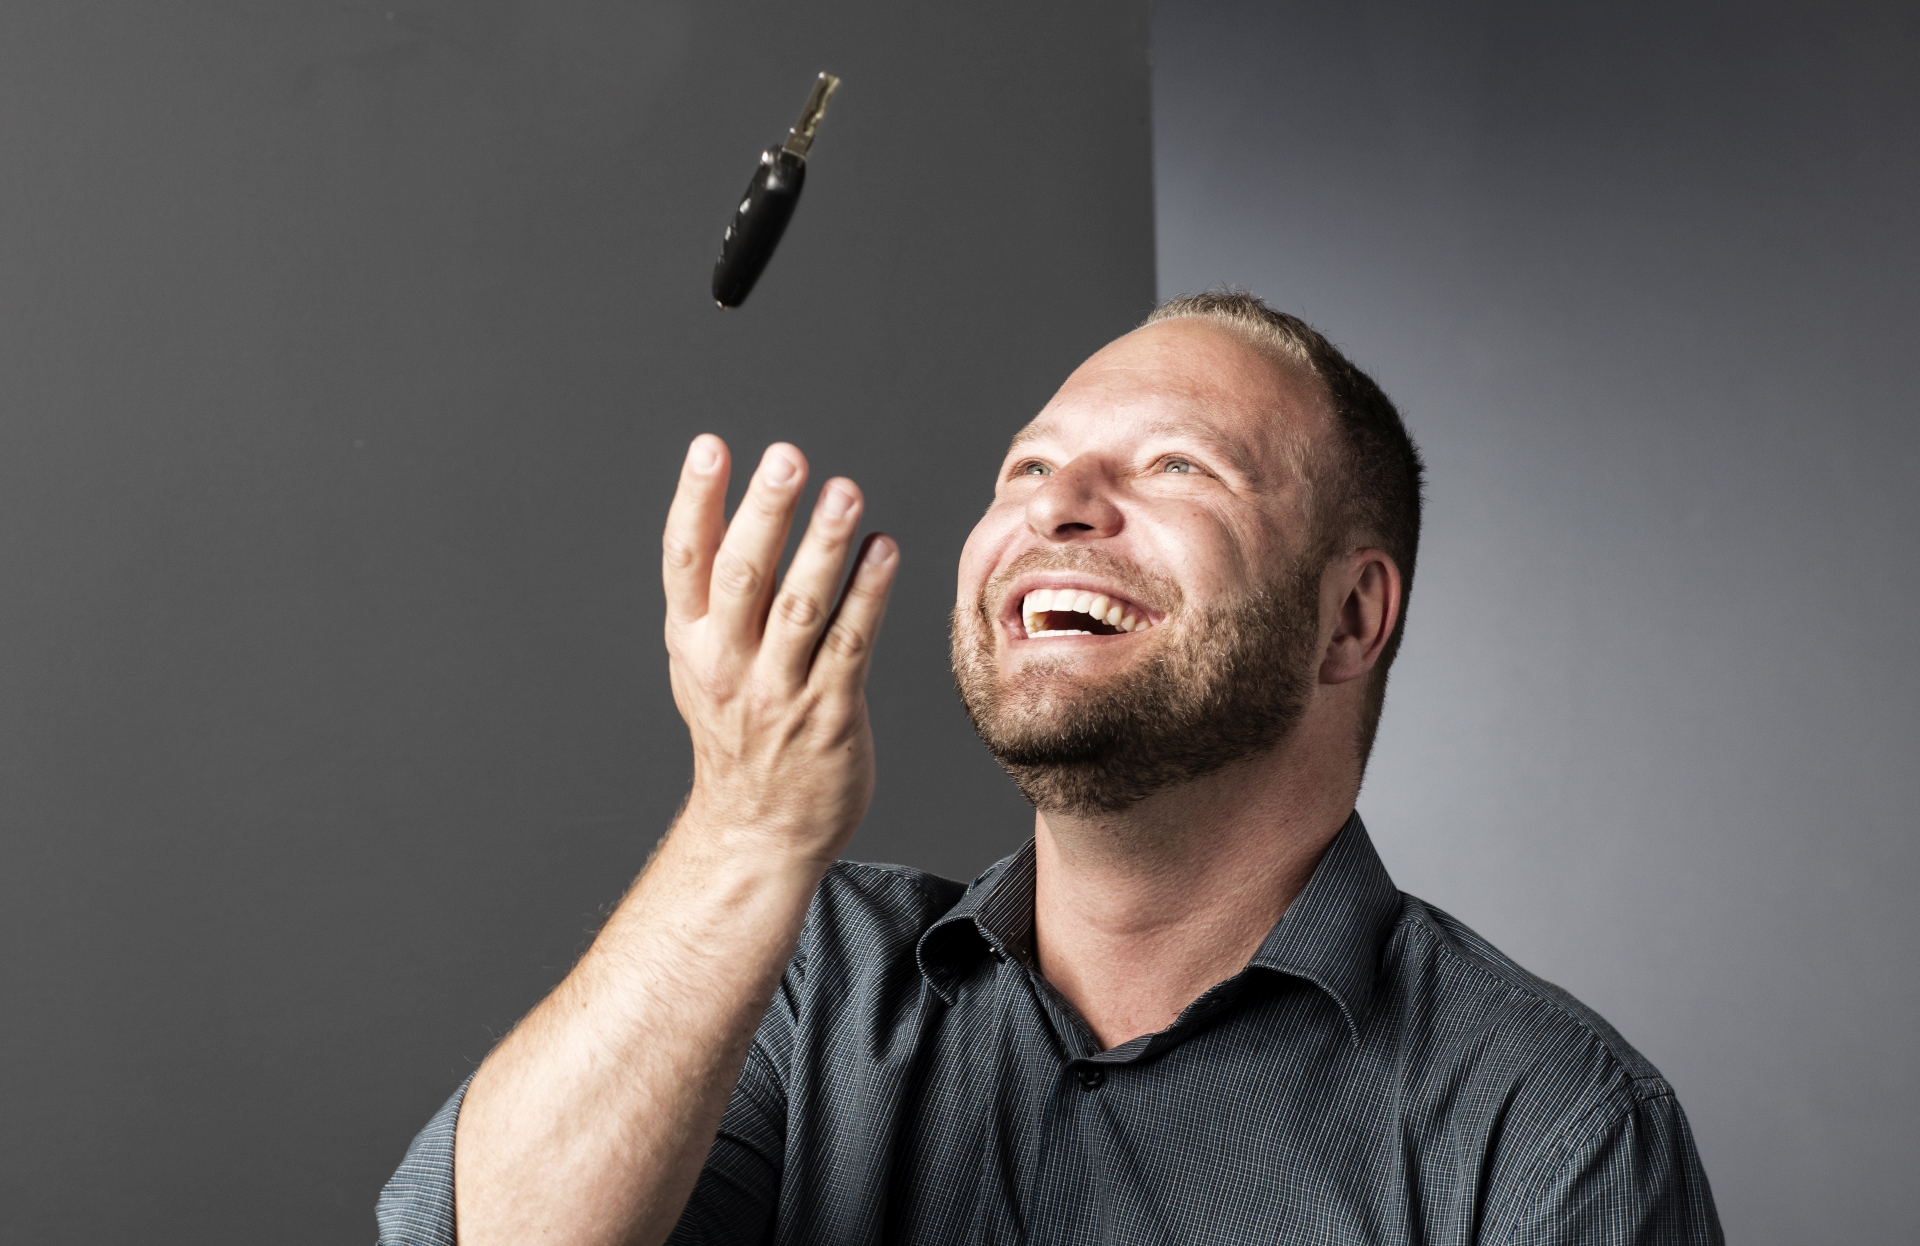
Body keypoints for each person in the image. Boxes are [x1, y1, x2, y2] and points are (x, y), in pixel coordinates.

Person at [377, 292, 1722, 1245]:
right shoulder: (809, 980)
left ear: (1351, 617)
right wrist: (744, 831)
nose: (1059, 506)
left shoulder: (1547, 1128)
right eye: (1027, 467)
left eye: (1178, 466)